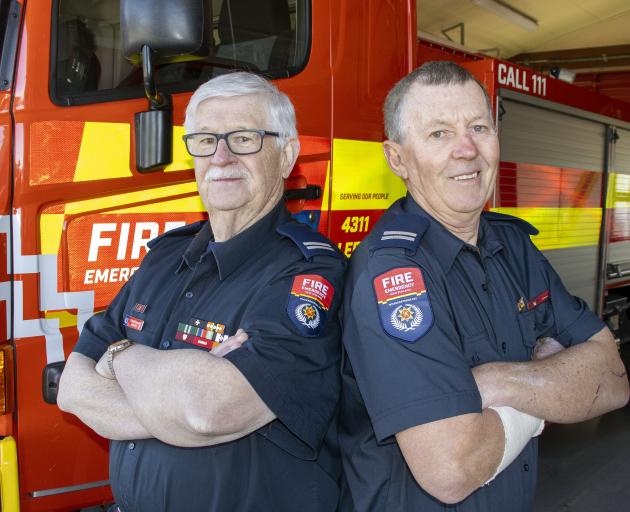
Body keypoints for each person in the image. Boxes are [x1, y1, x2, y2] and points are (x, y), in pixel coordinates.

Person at [338, 61, 630, 511]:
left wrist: (497, 380)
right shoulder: (392, 276)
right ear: (397, 158)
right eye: (439, 134)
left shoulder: (514, 247)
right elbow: (451, 469)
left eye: (478, 127)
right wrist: (544, 393)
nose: (466, 150)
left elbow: (612, 379)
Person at [58, 72, 346, 512]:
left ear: (286, 156)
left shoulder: (309, 271)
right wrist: (173, 404)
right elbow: (72, 389)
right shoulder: (164, 258)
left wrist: (118, 356)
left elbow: (207, 412)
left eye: (245, 138)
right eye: (206, 140)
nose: (222, 157)